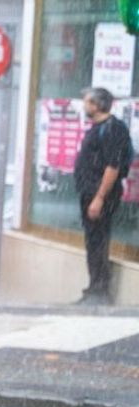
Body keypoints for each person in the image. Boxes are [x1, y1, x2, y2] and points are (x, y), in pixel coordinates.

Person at [73, 86, 134, 306]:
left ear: (97, 105)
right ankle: (93, 287)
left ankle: (100, 291)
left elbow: (113, 166)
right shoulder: (98, 127)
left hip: (101, 195)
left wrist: (99, 197)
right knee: (92, 241)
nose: (84, 105)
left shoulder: (112, 129)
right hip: (89, 192)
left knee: (98, 240)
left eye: (87, 101)